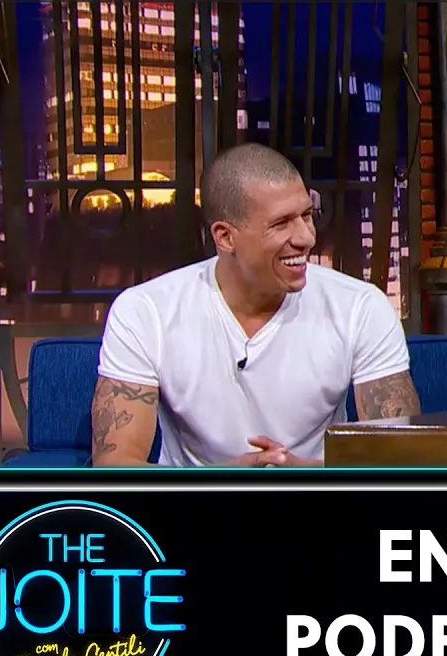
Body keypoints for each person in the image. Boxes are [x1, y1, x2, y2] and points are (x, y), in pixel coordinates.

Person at [90, 143, 420, 466]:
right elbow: (114, 463)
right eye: (281, 223)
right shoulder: (146, 311)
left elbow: (400, 458)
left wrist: (303, 473)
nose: (306, 237)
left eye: (307, 215)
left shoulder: (360, 307)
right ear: (225, 237)